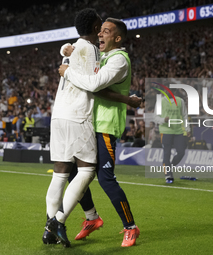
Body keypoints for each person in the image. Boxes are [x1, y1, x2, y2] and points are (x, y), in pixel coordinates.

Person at [59, 17, 140, 247]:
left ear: (117, 38)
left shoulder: (119, 60)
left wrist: (66, 72)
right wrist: (67, 50)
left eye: (106, 32)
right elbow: (76, 55)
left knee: (106, 179)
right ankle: (92, 218)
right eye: (100, 31)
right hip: (88, 124)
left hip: (105, 126)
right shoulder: (101, 55)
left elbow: (94, 86)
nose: (100, 35)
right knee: (74, 173)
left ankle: (131, 227)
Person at [44, 8, 103, 248]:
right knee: (87, 170)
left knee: (60, 173)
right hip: (78, 115)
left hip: (58, 115)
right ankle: (57, 222)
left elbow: (68, 56)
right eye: (100, 23)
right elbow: (93, 83)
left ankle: (48, 228)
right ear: (95, 26)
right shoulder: (90, 49)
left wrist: (65, 56)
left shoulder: (72, 49)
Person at [154, 93, 191, 184]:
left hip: (178, 131)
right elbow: (155, 117)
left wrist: (187, 129)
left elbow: (185, 115)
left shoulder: (180, 101)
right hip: (165, 131)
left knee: (181, 152)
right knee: (167, 153)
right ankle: (168, 175)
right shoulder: (160, 102)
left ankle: (170, 166)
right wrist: (163, 120)